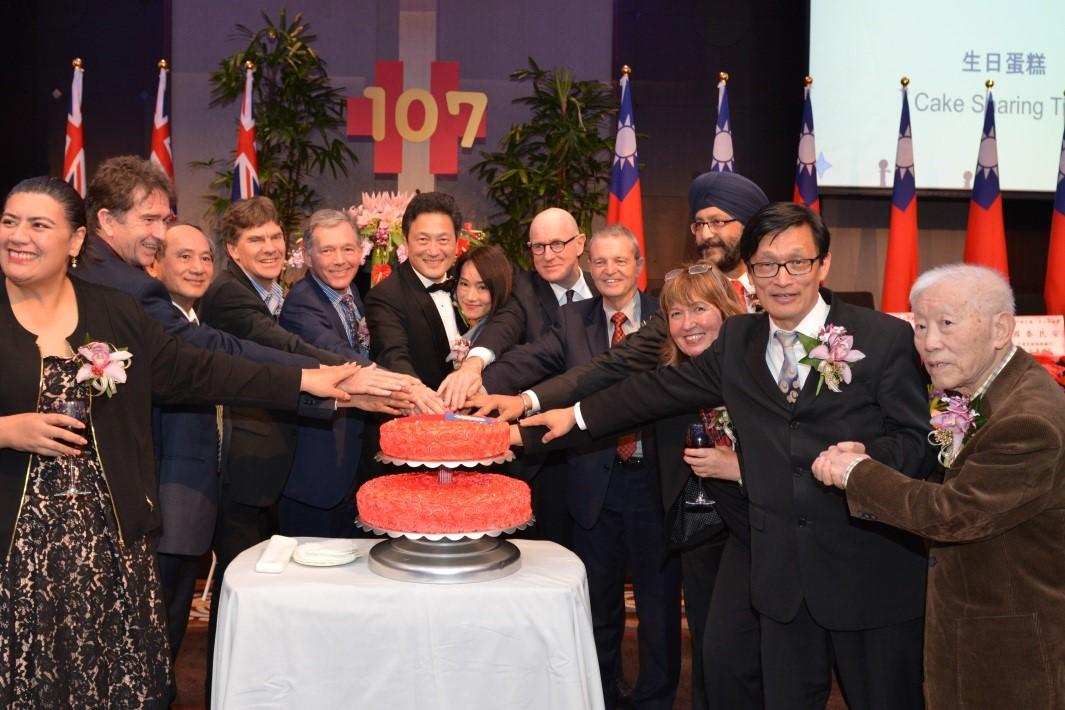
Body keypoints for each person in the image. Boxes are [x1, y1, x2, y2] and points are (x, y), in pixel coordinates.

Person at [524, 202, 932, 710]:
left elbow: (917, 443)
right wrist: (576, 417)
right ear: (750, 272)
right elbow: (657, 388)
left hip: (864, 566)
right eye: (765, 265)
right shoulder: (740, 339)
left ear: (823, 265)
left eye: (797, 263)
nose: (781, 279)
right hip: (777, 566)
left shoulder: (883, 338)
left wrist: (861, 461)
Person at [0, 176, 386, 707]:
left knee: (113, 682)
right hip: (16, 551)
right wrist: (5, 430)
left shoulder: (113, 310)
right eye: (10, 222)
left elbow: (201, 367)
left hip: (111, 545)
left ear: (75, 240)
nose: (19, 236)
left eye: (38, 225)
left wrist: (311, 381)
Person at [812, 264, 1065, 710]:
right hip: (976, 630)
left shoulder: (1028, 419)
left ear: (1001, 328)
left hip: (1012, 649)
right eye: (920, 326)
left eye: (946, 324)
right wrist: (870, 460)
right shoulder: (988, 392)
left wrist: (857, 473)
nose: (928, 343)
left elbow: (953, 514)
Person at [487, 225, 678, 710]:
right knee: (599, 607)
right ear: (588, 268)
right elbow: (532, 359)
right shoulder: (573, 320)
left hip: (658, 482)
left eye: (620, 261)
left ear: (639, 266)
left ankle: (655, 699)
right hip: (595, 483)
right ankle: (603, 694)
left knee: (658, 609)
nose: (610, 270)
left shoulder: (671, 317)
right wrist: (475, 379)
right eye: (600, 262)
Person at [470, 171, 768, 424]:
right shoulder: (678, 303)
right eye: (699, 225)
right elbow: (614, 366)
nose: (705, 235)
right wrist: (523, 400)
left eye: (717, 223)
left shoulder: (776, 294)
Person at [74, 155, 306, 367]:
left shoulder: (87, 263)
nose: (161, 233)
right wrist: (307, 373)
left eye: (164, 220)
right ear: (107, 220)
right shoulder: (132, 286)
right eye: (149, 219)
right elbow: (203, 348)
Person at [278, 209, 391, 537]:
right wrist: (403, 386)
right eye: (327, 251)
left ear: (361, 251)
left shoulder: (350, 293)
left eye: (347, 249)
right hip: (315, 476)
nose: (339, 260)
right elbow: (341, 356)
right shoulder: (302, 302)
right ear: (309, 255)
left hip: (348, 465)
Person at [144, 223, 221, 669]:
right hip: (166, 502)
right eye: (185, 256)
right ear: (155, 264)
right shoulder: (156, 326)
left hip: (195, 503)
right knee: (156, 625)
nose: (198, 267)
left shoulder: (197, 322)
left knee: (172, 622)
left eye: (205, 258)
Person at [363, 191, 463, 410]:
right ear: (406, 242)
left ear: (457, 242)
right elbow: (393, 355)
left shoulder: (468, 282)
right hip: (417, 420)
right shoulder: (385, 297)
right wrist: (415, 390)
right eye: (423, 240)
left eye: (443, 240)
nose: (433, 250)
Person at [448, 243, 512, 365]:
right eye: (464, 284)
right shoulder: (460, 326)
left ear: (499, 289)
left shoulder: (497, 342)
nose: (470, 297)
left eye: (482, 287)